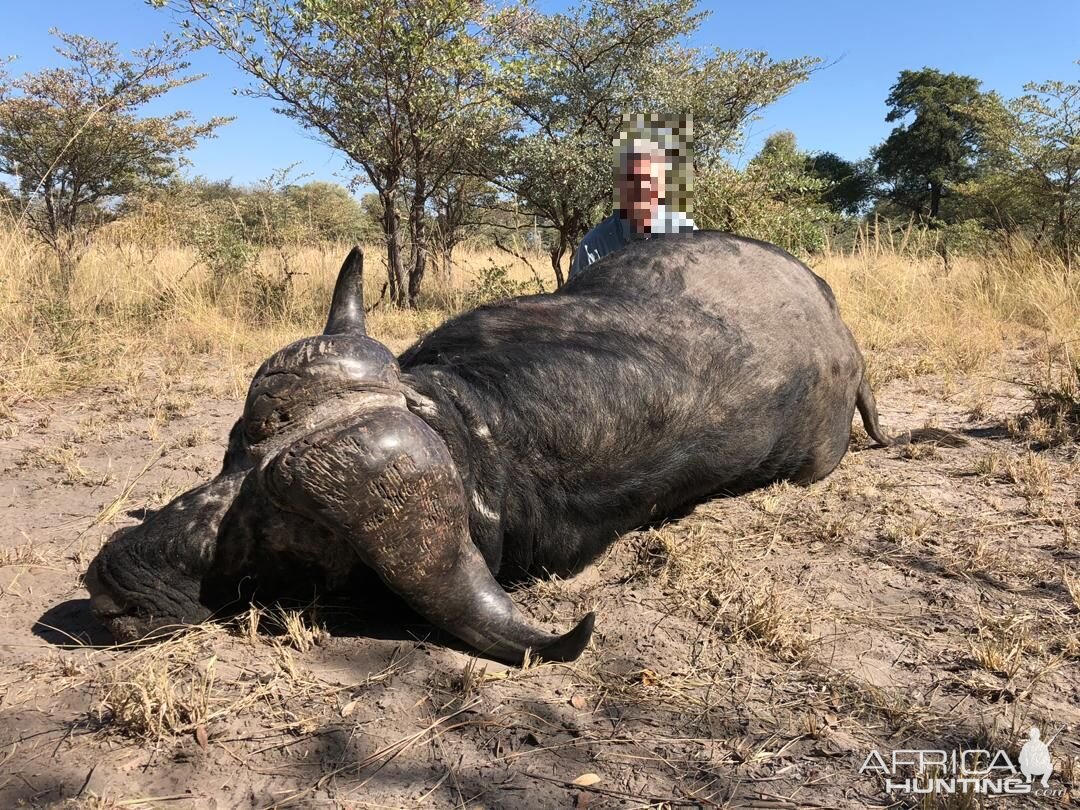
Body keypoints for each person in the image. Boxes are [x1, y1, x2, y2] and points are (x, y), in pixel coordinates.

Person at [569, 136, 696, 281]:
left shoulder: (684, 230)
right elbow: (579, 301)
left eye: (651, 180)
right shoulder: (593, 247)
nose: (642, 189)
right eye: (634, 180)